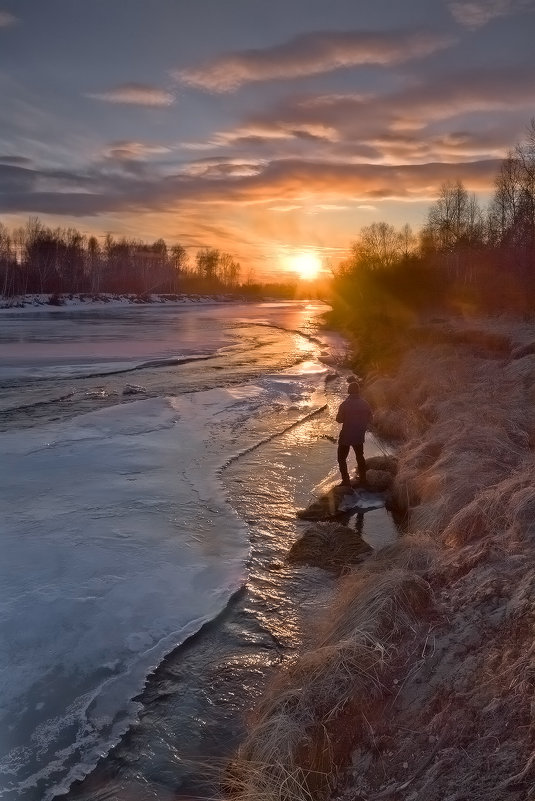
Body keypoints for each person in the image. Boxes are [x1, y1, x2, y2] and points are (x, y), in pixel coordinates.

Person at [336, 381, 373, 487]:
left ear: (349, 391)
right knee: (360, 456)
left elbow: (339, 419)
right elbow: (371, 419)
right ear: (358, 391)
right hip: (359, 436)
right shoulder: (365, 403)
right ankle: (363, 479)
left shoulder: (344, 404)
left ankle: (346, 481)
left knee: (341, 458)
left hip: (346, 436)